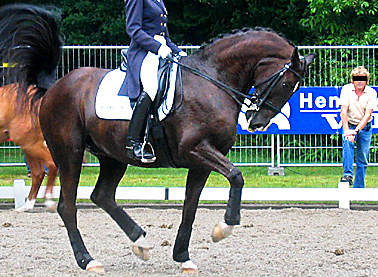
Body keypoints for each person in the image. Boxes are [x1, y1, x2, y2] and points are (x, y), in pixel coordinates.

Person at [119, 0, 187, 163]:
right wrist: (158, 47)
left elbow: (165, 36)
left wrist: (179, 52)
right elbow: (134, 30)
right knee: (151, 88)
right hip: (143, 53)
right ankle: (134, 142)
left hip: (161, 52)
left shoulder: (159, 1)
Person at [339, 66, 377, 188]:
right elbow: (343, 111)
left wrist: (356, 131)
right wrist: (347, 131)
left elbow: (367, 115)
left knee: (363, 158)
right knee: (347, 144)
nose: (360, 81)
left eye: (362, 79)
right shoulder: (346, 89)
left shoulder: (372, 92)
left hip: (364, 127)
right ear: (352, 80)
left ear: (367, 80)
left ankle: (359, 188)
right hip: (349, 124)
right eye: (357, 79)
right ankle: (347, 175)